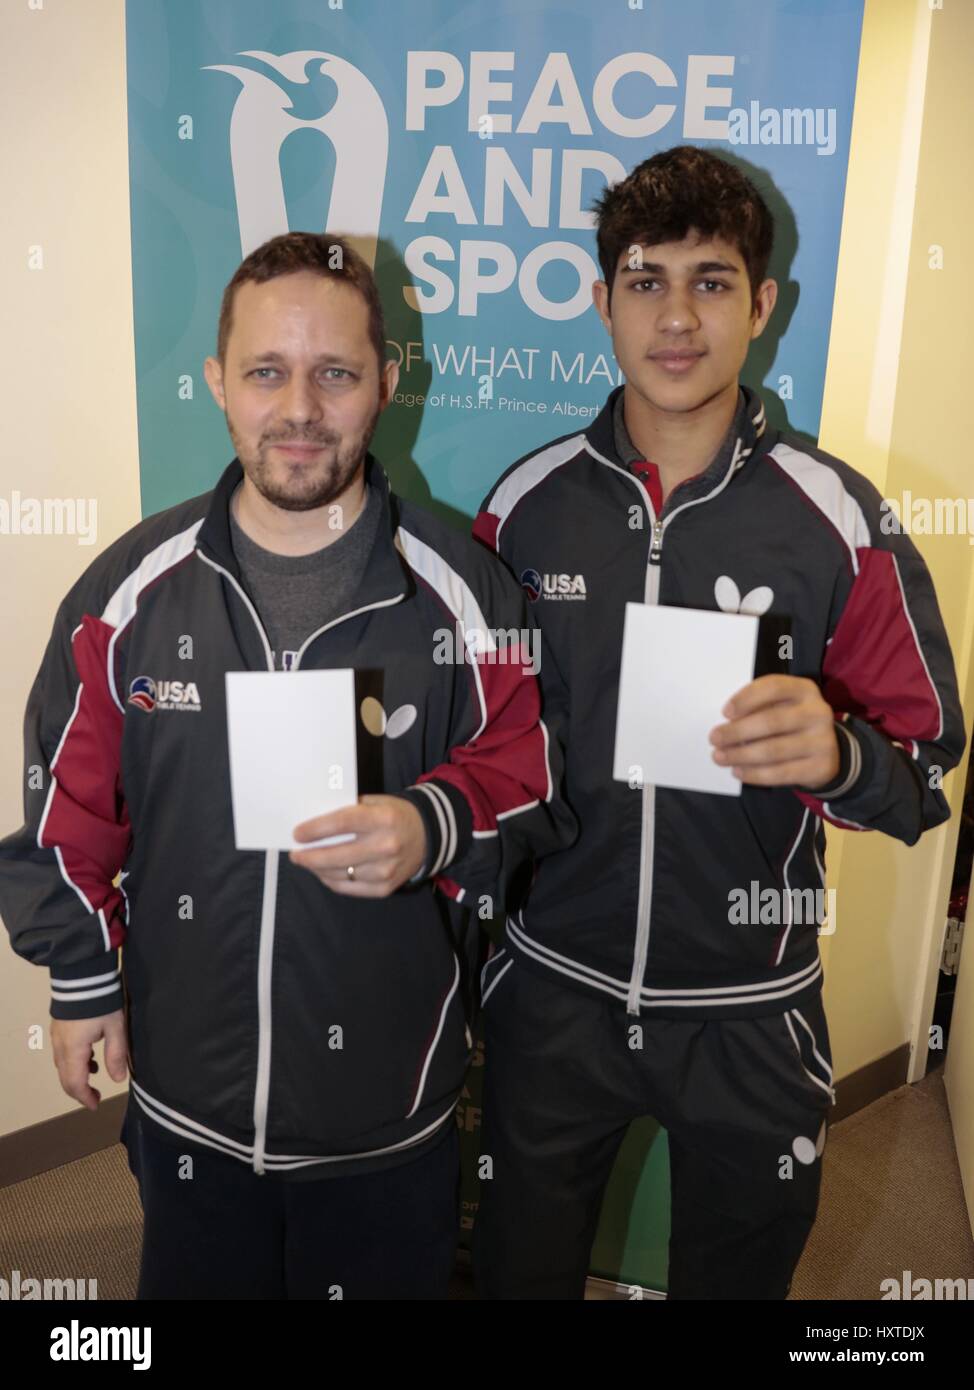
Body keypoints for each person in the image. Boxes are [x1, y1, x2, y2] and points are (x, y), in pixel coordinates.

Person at [0, 231, 574, 1300]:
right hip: (187, 1104)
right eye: (266, 371)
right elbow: (63, 802)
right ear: (219, 381)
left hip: (386, 1116)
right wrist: (79, 977)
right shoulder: (132, 589)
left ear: (386, 384)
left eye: (335, 373)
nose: (299, 409)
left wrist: (433, 822)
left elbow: (530, 775)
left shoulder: (463, 590)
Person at [471, 145, 966, 1300]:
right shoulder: (522, 507)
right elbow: (477, 745)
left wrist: (841, 756)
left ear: (761, 304)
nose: (676, 317)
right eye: (645, 282)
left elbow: (929, 768)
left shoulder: (836, 520)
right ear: (600, 302)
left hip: (747, 1013)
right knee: (513, 1277)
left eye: (710, 280)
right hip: (551, 993)